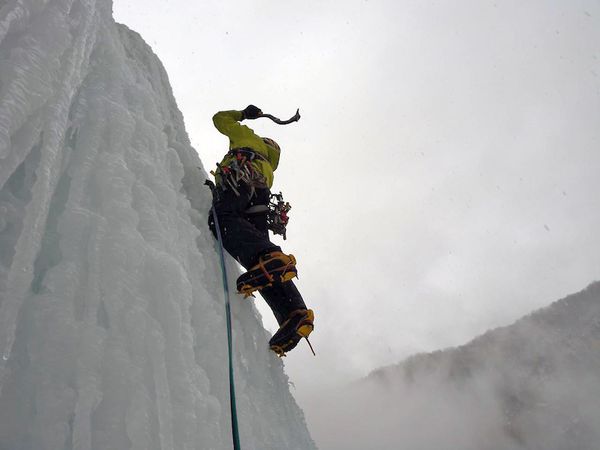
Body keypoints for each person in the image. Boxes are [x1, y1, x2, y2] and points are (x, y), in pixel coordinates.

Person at [208, 105, 314, 356]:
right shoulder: (269, 165)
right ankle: (294, 313)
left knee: (221, 218)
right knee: (260, 263)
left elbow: (219, 119)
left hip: (241, 175)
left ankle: (270, 257)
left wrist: (244, 114)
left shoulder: (248, 138)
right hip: (259, 195)